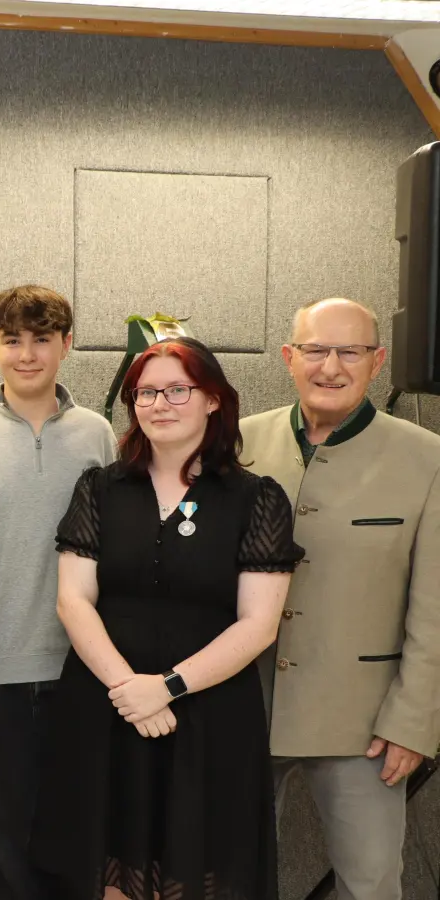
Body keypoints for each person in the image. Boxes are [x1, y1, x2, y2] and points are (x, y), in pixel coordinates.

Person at [31, 336, 303, 900]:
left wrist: (168, 688)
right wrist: (129, 689)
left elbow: (259, 624)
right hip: (108, 709)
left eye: (177, 389)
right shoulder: (101, 488)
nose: (159, 403)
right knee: (108, 877)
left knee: (196, 879)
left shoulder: (256, 499)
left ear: (212, 400)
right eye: (145, 392)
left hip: (207, 718)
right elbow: (72, 601)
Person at [240, 298, 440, 900]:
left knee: (372, 881)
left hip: (365, 722)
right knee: (227, 876)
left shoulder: (427, 457)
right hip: (241, 706)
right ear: (288, 357)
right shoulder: (236, 443)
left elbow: (434, 608)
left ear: (377, 361)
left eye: (349, 351)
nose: (331, 366)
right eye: (315, 350)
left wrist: (413, 722)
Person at [0, 286, 116, 900]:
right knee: (4, 842)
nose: (28, 355)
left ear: (66, 345)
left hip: (85, 668)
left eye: (42, 339)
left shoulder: (97, 434)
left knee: (79, 836)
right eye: (13, 340)